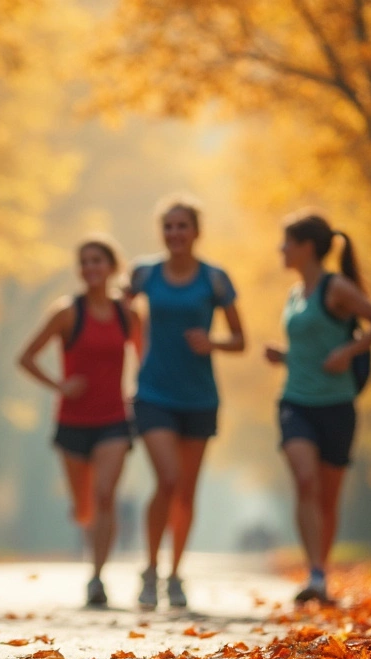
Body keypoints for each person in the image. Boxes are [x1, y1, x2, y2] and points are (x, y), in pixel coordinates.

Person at [264, 213, 371, 603]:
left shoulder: (335, 287)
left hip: (337, 405)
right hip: (295, 402)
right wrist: (286, 357)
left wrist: (349, 351)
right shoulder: (293, 293)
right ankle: (315, 575)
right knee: (306, 482)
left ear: (306, 247)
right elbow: (310, 348)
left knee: (328, 498)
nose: (281, 249)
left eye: (286, 242)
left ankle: (321, 573)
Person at [126, 197, 245, 610]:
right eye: (169, 227)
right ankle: (149, 569)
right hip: (154, 392)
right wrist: (137, 346)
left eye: (182, 226)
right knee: (168, 477)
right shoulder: (144, 274)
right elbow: (122, 314)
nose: (175, 233)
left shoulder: (215, 279)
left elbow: (239, 339)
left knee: (187, 491)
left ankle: (175, 574)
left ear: (196, 231)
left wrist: (211, 342)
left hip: (198, 395)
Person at [18, 236, 143, 607]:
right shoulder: (67, 312)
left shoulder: (127, 314)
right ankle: (92, 547)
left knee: (106, 496)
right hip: (72, 422)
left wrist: (138, 392)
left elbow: (146, 356)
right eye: (84, 262)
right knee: (84, 505)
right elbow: (26, 357)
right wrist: (60, 385)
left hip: (114, 420)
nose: (90, 268)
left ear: (111, 267)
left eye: (97, 262)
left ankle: (97, 577)